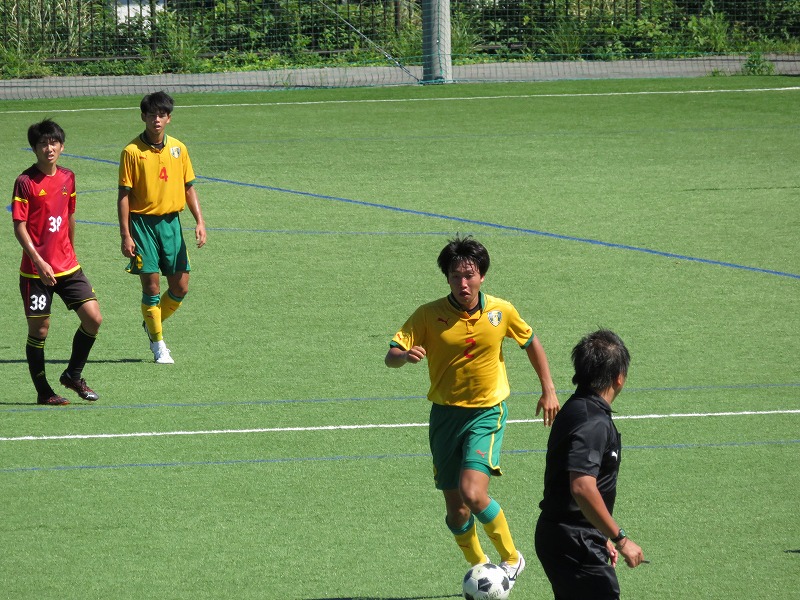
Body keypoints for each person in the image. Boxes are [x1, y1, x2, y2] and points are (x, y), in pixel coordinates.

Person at [385, 235, 560, 589]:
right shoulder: (427, 314)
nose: (463, 283)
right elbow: (391, 356)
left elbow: (530, 342)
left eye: (469, 275)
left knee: (474, 493)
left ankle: (511, 559)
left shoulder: (501, 311)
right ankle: (481, 566)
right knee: (457, 512)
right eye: (455, 277)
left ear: (482, 276)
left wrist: (549, 389)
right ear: (447, 279)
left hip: (486, 413)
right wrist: (404, 356)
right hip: (444, 418)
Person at [535, 329, 646, 600]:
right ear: (619, 377)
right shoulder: (593, 422)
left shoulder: (577, 408)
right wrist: (620, 538)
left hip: (572, 536)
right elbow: (582, 487)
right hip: (575, 541)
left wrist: (600, 533)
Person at [12, 119, 103, 406]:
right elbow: (19, 226)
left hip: (68, 267)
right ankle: (44, 392)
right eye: (43, 143)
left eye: (53, 143)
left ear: (62, 146)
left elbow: (69, 216)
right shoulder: (25, 182)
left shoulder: (68, 177)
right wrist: (39, 262)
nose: (48, 148)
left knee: (93, 318)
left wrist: (70, 251)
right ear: (34, 148)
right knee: (39, 330)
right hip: (35, 272)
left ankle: (72, 375)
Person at [118, 90, 206, 364]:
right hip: (142, 225)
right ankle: (159, 345)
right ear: (143, 117)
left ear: (169, 118)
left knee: (180, 287)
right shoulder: (131, 152)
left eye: (162, 115)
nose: (156, 120)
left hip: (172, 224)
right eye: (151, 115)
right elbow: (123, 195)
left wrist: (200, 221)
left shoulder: (179, 149)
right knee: (152, 287)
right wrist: (125, 235)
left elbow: (189, 187)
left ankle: (151, 322)